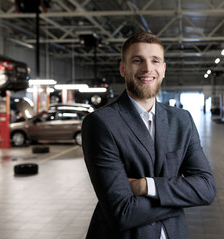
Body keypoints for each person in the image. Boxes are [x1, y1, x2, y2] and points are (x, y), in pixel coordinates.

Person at [82, 32, 216, 239]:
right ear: (123, 68)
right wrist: (181, 197)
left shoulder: (181, 120)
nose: (147, 68)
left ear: (163, 69)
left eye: (155, 61)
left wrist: (145, 185)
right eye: (137, 60)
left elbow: (206, 188)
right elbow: (122, 212)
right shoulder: (101, 123)